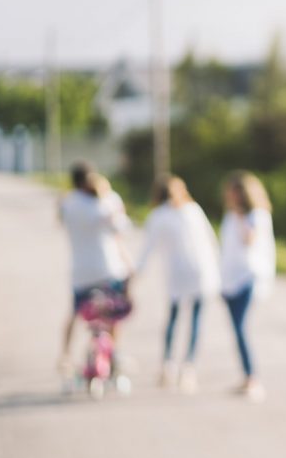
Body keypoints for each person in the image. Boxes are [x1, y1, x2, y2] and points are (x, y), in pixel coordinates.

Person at [134, 174, 220, 393]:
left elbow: (147, 250)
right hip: (198, 272)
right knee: (193, 321)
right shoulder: (192, 210)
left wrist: (136, 275)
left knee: (175, 319)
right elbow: (212, 241)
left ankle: (169, 365)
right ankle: (186, 367)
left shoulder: (161, 215)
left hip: (182, 274)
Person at [58, 161, 131, 369]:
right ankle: (114, 353)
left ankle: (65, 356)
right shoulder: (107, 202)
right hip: (108, 270)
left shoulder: (68, 204)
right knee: (113, 315)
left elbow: (61, 219)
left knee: (74, 313)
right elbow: (122, 227)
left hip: (81, 273)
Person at [219, 171, 275, 402]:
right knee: (236, 330)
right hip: (229, 280)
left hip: (248, 278)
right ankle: (246, 375)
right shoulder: (229, 216)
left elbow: (249, 241)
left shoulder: (257, 215)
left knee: (241, 328)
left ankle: (253, 377)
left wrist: (242, 218)